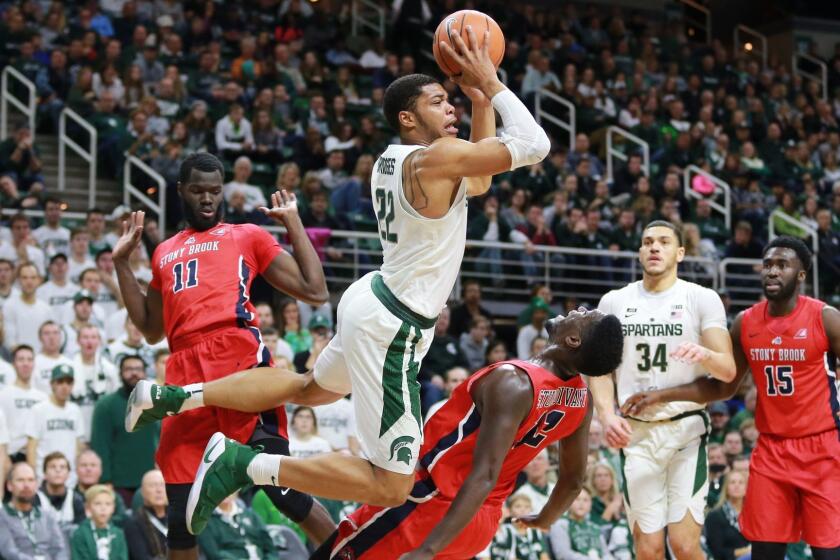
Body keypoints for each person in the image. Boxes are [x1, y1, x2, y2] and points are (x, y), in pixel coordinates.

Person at [129, 27, 551, 534]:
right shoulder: (437, 158)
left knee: (310, 389)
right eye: (440, 102)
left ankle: (179, 396)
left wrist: (480, 100)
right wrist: (494, 82)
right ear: (407, 117)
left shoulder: (392, 160)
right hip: (393, 324)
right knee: (393, 484)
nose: (451, 108)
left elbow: (479, 178)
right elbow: (534, 143)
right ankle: (245, 465)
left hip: (371, 298)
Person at [151, 307, 620, 559]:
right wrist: (543, 519)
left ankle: (245, 463)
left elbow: (482, 474)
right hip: (478, 525)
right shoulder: (577, 395)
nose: (576, 309)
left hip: (429, 508)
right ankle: (250, 464)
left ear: (574, 341)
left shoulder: (515, 381)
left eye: (584, 314)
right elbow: (573, 479)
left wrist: (428, 547)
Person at [113, 151, 334, 557]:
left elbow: (315, 290)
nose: (207, 199)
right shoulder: (163, 252)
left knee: (279, 487)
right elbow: (149, 329)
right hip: (183, 367)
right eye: (198, 191)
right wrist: (121, 264)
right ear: (181, 191)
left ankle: (351, 552)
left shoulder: (246, 234)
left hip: (237, 356)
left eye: (215, 191)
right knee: (179, 517)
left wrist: (293, 222)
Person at [622, 236, 840, 559]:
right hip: (772, 450)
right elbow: (724, 386)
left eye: (782, 265)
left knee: (827, 554)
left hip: (821, 448)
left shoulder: (825, 318)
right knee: (765, 551)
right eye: (767, 265)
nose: (772, 272)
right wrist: (662, 395)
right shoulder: (746, 322)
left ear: (802, 275)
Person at [591, 220, 736, 560]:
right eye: (648, 242)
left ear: (680, 253)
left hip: (685, 429)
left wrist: (705, 354)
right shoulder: (614, 301)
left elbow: (728, 370)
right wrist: (606, 414)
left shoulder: (700, 298)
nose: (654, 247)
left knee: (684, 546)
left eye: (664, 242)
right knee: (649, 548)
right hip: (636, 436)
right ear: (640, 251)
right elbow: (597, 367)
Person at [91, 355, 157, 504]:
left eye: (138, 369)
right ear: (120, 373)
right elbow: (100, 446)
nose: (134, 373)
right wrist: (105, 479)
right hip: (118, 485)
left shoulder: (156, 403)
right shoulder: (106, 405)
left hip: (151, 482)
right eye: (128, 369)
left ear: (145, 373)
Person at [25, 364, 86, 479]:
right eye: (60, 382)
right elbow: (31, 447)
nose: (64, 387)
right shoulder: (38, 409)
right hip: (43, 476)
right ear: (52, 384)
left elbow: (78, 447)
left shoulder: (75, 410)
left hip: (69, 477)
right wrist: (33, 476)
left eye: (68, 383)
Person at [0, 462, 68, 559]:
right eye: (20, 480)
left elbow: (60, 549)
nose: (26, 485)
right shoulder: (2, 516)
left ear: (36, 485)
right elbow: (9, 552)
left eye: (30, 480)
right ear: (9, 485)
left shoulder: (47, 516)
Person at [0, 345, 47, 461]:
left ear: (34, 364)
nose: (26, 364)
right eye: (21, 360)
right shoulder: (4, 395)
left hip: (39, 456)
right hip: (12, 456)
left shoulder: (43, 397)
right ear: (13, 364)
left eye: (29, 359)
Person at [196, 492, 275, 559]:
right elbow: (214, 554)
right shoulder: (206, 522)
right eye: (220, 489)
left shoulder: (251, 515)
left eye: (229, 487)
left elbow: (270, 547)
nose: (225, 492)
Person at [550, 488, 612, 560]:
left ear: (590, 504)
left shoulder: (594, 527)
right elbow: (563, 555)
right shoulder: (560, 525)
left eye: (585, 500)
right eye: (577, 499)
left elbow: (606, 554)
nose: (581, 503)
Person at [2, 263, 52, 352]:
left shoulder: (46, 308)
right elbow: (9, 340)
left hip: (41, 358)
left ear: (39, 280)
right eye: (24, 277)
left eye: (33, 277)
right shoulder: (9, 306)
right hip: (17, 359)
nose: (29, 281)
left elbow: (50, 339)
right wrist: (25, 358)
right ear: (18, 281)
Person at [70, 485, 129, 560]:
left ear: (113, 508)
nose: (103, 508)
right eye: (97, 503)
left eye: (108, 504)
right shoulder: (80, 534)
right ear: (88, 508)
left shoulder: (118, 534)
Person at [703, 470, 750, 560]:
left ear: (746, 489)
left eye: (741, 482)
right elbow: (717, 552)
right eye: (732, 482)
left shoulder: (752, 515)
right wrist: (746, 551)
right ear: (726, 488)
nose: (737, 485)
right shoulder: (714, 516)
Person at [123, 469, 168, 560]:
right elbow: (141, 557)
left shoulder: (180, 519)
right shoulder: (133, 522)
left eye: (163, 485)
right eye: (152, 485)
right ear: (142, 492)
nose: (159, 490)